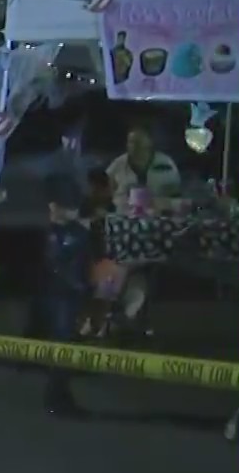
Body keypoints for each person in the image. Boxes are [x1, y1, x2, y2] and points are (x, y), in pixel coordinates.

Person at [29, 172, 92, 417]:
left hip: (67, 296)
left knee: (68, 346)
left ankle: (60, 395)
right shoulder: (59, 235)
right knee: (64, 347)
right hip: (62, 297)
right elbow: (59, 266)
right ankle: (56, 398)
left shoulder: (73, 232)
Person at [105, 125, 180, 209]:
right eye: (131, 142)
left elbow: (174, 193)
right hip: (124, 213)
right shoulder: (118, 164)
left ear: (149, 143)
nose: (135, 146)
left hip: (156, 214)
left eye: (139, 142)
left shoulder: (165, 163)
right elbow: (106, 190)